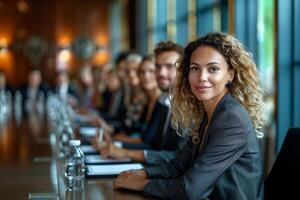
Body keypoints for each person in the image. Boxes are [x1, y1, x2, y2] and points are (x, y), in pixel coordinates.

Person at [113, 32, 266, 200]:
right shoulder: (209, 112)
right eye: (195, 69)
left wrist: (142, 184)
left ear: (230, 74)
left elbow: (191, 189)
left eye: (213, 69)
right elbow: (180, 164)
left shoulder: (232, 119)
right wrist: (143, 173)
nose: (202, 77)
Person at [95, 41, 187, 165]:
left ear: (183, 69)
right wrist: (115, 146)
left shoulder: (188, 107)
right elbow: (154, 146)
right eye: (158, 67)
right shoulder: (163, 102)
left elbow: (178, 158)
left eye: (169, 66)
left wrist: (121, 149)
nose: (161, 73)